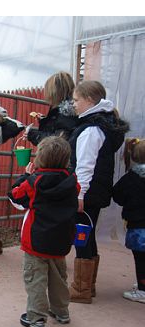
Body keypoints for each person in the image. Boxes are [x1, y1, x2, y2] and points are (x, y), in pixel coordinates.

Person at [8, 136, 80, 327]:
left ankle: (36, 318)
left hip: (36, 242)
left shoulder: (34, 182)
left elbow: (15, 195)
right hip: (61, 241)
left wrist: (25, 176)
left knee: (35, 280)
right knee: (59, 278)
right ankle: (61, 311)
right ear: (66, 159)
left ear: (39, 157)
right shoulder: (72, 182)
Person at [68, 80, 129, 303]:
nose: (74, 104)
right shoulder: (101, 125)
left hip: (87, 193)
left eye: (76, 100)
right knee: (88, 233)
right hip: (96, 191)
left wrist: (80, 194)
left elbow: (85, 165)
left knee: (81, 235)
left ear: (89, 100)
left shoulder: (91, 129)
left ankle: (81, 289)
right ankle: (87, 286)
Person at [112, 138, 145, 303]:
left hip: (138, 225)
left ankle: (143, 289)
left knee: (141, 259)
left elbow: (117, 194)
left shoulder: (131, 178)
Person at [27, 71, 79, 146]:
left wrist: (33, 135)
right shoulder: (64, 110)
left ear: (55, 92)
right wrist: (43, 120)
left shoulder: (67, 113)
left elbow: (58, 142)